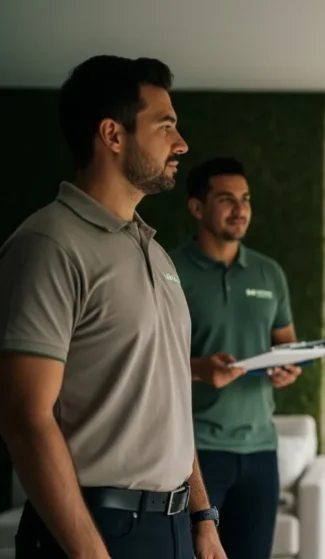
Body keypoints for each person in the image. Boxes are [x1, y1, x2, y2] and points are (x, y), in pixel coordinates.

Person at [0, 56, 225, 558]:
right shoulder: (48, 244)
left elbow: (167, 400)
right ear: (113, 135)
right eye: (165, 126)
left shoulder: (157, 253)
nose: (181, 143)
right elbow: (24, 416)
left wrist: (201, 516)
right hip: (95, 530)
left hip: (174, 527)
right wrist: (90, 552)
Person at [170, 156, 302, 559]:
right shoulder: (169, 270)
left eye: (245, 199)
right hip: (195, 451)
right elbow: (149, 361)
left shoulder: (269, 273)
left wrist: (287, 367)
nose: (240, 209)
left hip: (261, 450)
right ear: (197, 208)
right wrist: (199, 369)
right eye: (226, 199)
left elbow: (286, 345)